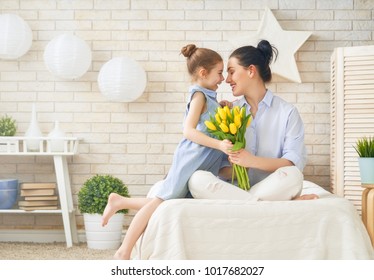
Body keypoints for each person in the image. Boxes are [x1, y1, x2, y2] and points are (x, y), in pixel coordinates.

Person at [101, 44, 233, 259]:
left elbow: (208, 121)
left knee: (171, 201)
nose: (223, 78)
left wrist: (222, 108)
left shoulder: (209, 97)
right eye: (219, 72)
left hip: (202, 162)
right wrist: (219, 145)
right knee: (159, 203)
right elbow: (189, 131)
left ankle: (120, 202)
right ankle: (124, 250)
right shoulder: (198, 96)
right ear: (203, 73)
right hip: (191, 160)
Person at [188, 40, 319, 201]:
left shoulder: (287, 113)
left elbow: (291, 163)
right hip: (232, 189)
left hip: (272, 187)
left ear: (251, 71)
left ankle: (248, 202)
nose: (227, 80)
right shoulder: (227, 112)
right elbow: (219, 168)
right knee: (196, 179)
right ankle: (261, 202)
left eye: (231, 72)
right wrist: (237, 166)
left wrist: (252, 161)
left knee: (293, 176)